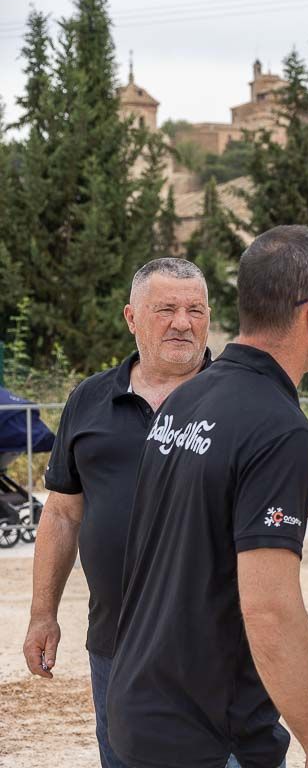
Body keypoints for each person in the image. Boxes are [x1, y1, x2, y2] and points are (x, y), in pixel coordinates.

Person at [105, 226, 308, 768]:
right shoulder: (279, 427)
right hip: (210, 732)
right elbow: (270, 609)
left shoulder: (187, 397)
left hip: (137, 704)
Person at [24, 258, 213, 768]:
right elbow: (63, 514)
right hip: (115, 646)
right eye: (166, 309)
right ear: (131, 318)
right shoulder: (89, 399)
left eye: (196, 309)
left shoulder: (239, 396)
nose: (183, 322)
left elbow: (304, 493)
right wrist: (43, 614)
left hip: (219, 648)